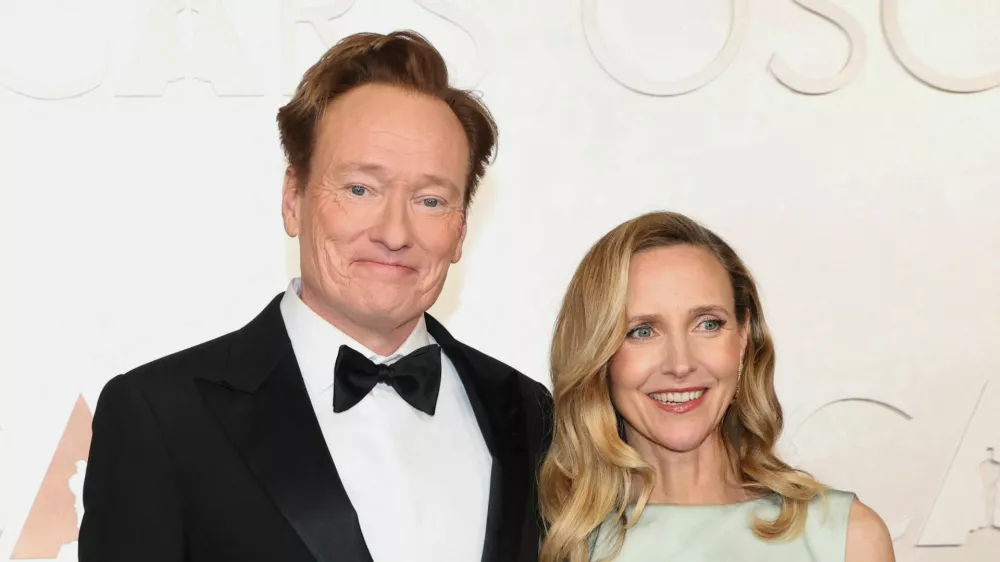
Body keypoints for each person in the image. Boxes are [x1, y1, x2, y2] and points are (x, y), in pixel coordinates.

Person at [79, 31, 551, 562]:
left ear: (461, 229)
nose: (395, 232)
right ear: (293, 200)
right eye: (360, 189)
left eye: (431, 199)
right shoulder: (161, 417)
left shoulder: (530, 414)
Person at [537, 211, 894, 562]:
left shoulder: (846, 539)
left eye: (707, 324)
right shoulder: (556, 544)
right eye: (642, 331)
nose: (680, 364)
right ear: (598, 357)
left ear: (742, 337)